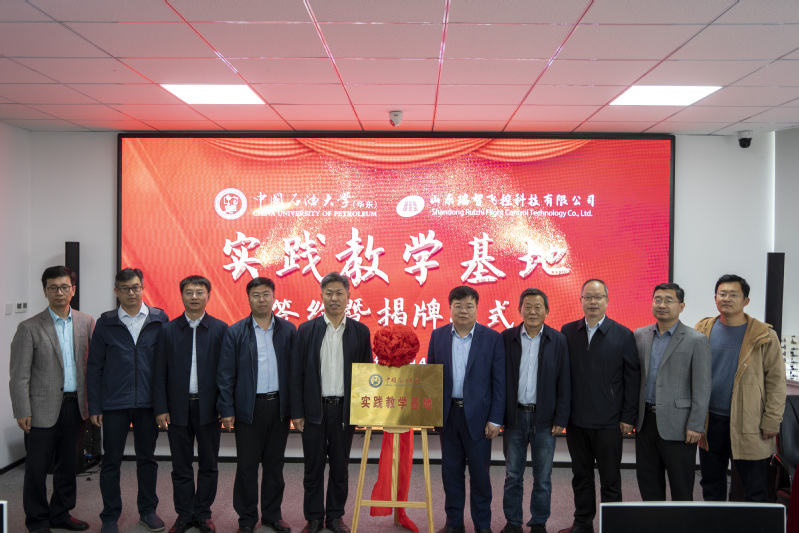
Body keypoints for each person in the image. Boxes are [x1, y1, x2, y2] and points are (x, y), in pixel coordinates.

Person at [10, 266, 95, 533]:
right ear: (45, 291)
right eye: (53, 287)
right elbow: (19, 375)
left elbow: (93, 367)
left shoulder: (86, 322)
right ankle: (37, 521)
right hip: (40, 410)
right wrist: (22, 410)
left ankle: (61, 513)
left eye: (64, 287)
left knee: (68, 466)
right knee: (36, 469)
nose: (59, 292)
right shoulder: (29, 327)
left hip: (76, 407)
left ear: (73, 290)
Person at [87, 268, 169, 533]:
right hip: (114, 404)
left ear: (142, 288)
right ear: (116, 291)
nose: (131, 293)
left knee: (147, 459)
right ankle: (110, 516)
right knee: (111, 461)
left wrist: (163, 405)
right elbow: (95, 366)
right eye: (125, 289)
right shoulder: (106, 322)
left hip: (148, 404)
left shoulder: (159, 319)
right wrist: (95, 405)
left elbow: (166, 365)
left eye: (135, 287)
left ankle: (148, 511)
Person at [290, 272, 372, 533]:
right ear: (321, 296)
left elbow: (366, 375)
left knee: (340, 467)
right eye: (329, 293)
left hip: (344, 411)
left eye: (339, 293)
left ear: (348, 296)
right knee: (312, 468)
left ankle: (335, 516)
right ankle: (314, 517)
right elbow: (296, 374)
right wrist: (297, 411)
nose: (334, 298)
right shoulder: (306, 330)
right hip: (314, 410)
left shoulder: (360, 331)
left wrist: (362, 412)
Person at [695, 274, 786, 502]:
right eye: (722, 294)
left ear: (745, 300)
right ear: (715, 298)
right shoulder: (703, 329)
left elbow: (776, 382)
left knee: (754, 486)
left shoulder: (764, 335)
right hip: (710, 421)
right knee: (711, 482)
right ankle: (716, 521)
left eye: (733, 294)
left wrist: (772, 420)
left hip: (750, 422)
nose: (726, 298)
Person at [559, 279, 639, 533]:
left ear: (607, 300)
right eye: (588, 297)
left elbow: (632, 379)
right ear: (580, 300)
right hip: (576, 421)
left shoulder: (623, 334)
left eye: (598, 297)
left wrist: (628, 416)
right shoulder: (568, 332)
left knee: (610, 478)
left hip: (609, 422)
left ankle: (611, 525)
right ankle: (583, 523)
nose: (593, 302)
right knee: (580, 476)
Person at [217, 277, 296, 533]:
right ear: (248, 299)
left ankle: (273, 515)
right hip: (248, 409)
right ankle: (247, 519)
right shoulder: (235, 332)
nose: (261, 299)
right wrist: (227, 409)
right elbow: (225, 374)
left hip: (279, 407)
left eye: (266, 294)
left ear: (274, 297)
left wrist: (296, 409)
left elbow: (295, 373)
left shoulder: (288, 330)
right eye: (256, 295)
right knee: (247, 467)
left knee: (275, 466)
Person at [427, 286, 505, 533]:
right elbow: (431, 379)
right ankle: (454, 524)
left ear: (476, 308)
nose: (463, 311)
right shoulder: (438, 336)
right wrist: (432, 413)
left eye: (469, 306)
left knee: (480, 476)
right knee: (451, 474)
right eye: (458, 306)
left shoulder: (492, 338)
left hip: (479, 419)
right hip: (449, 416)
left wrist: (495, 419)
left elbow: (499, 383)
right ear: (450, 308)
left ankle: (482, 526)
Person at [153, 276, 228, 533]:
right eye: (189, 292)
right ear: (181, 296)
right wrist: (161, 408)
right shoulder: (168, 330)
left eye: (199, 292)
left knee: (209, 465)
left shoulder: (220, 329)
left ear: (208, 296)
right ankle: (184, 515)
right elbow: (159, 372)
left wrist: (225, 407)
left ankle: (204, 514)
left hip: (209, 408)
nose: (194, 297)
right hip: (177, 409)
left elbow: (226, 373)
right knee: (181, 466)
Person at [634, 283, 711, 501]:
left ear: (681, 306)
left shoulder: (696, 340)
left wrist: (696, 424)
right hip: (645, 422)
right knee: (648, 482)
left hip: (680, 424)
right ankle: (654, 519)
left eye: (669, 300)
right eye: (657, 299)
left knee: (681, 487)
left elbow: (702, 386)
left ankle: (681, 520)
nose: (662, 305)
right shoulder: (640, 335)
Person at [500, 288, 570, 533]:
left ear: (547, 311)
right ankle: (513, 522)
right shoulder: (506, 338)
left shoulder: (558, 340)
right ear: (519, 309)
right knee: (512, 475)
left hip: (545, 419)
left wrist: (561, 417)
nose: (532, 311)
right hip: (515, 417)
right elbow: (498, 380)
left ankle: (539, 522)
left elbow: (564, 381)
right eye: (527, 306)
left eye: (538, 307)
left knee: (543, 477)